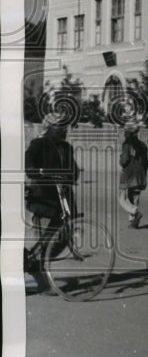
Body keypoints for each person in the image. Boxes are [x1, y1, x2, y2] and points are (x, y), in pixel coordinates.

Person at [25, 113, 80, 268]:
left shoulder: (66, 147)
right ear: (49, 127)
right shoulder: (39, 144)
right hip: (44, 198)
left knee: (64, 237)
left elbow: (73, 169)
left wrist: (72, 176)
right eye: (60, 126)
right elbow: (28, 159)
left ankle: (38, 262)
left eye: (65, 126)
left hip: (64, 200)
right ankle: (41, 274)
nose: (64, 129)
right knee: (43, 241)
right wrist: (33, 170)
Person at [118, 122, 148, 228]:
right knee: (135, 197)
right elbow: (146, 163)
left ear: (130, 133)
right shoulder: (143, 145)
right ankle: (133, 222)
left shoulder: (127, 144)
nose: (124, 134)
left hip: (129, 173)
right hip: (140, 174)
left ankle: (135, 212)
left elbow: (124, 160)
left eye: (125, 132)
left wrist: (121, 160)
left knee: (122, 198)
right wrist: (143, 173)